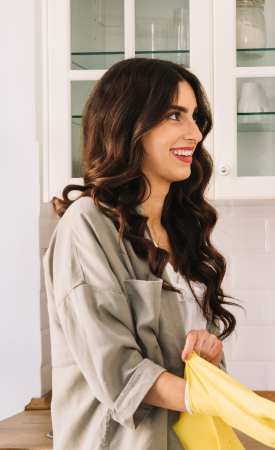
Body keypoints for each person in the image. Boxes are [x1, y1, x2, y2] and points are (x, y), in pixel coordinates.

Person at [43, 58, 236, 449]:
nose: (195, 133)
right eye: (173, 115)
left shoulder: (182, 231)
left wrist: (208, 355)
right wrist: (225, 401)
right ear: (128, 125)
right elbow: (118, 368)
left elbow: (184, 360)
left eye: (195, 117)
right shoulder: (88, 225)